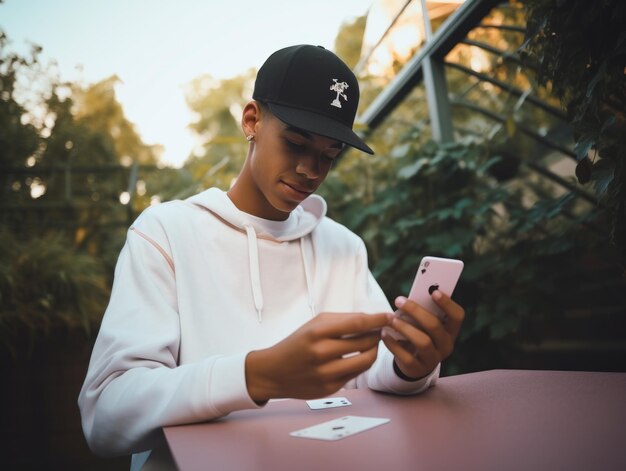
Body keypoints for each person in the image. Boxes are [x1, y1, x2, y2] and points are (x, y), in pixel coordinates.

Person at [78, 44, 465, 470]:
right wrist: (255, 375)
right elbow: (106, 416)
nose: (310, 170)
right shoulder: (165, 234)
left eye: (328, 154)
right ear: (252, 121)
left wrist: (412, 366)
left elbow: (373, 368)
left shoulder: (342, 246)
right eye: (296, 142)